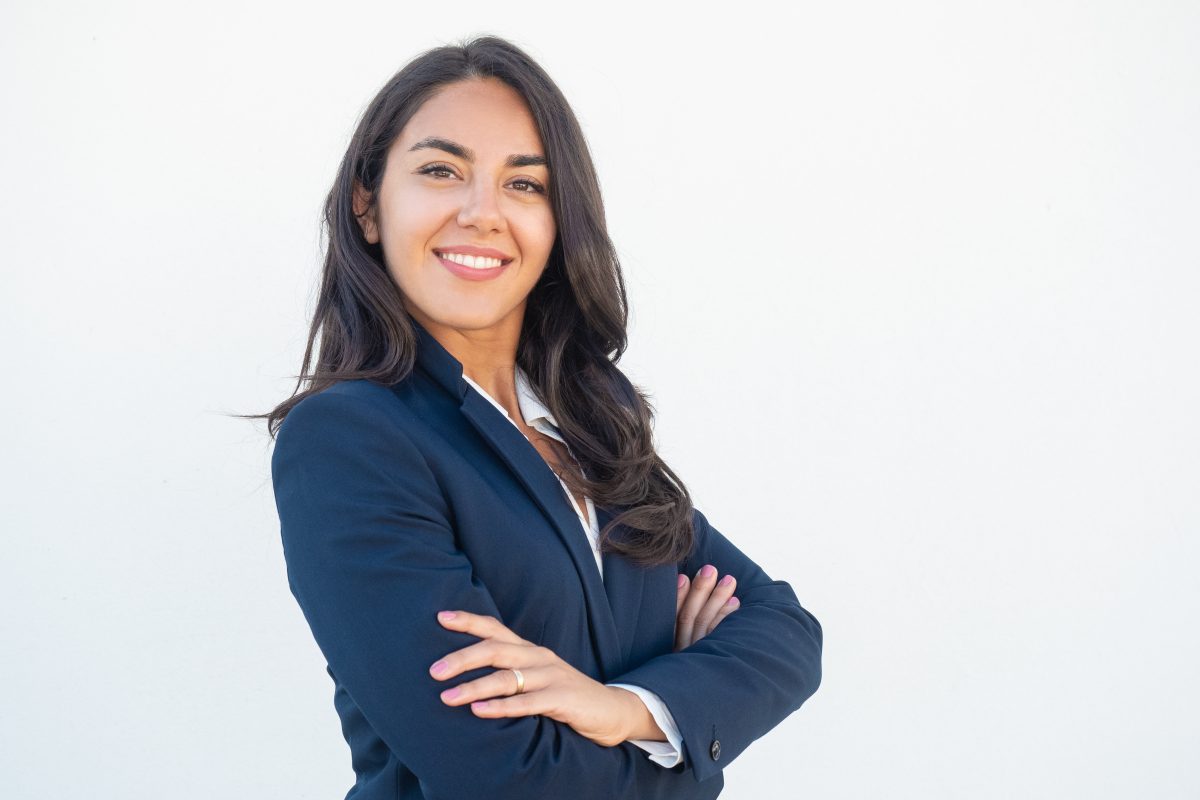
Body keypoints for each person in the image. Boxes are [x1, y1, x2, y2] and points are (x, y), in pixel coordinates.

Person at [262, 35, 822, 799]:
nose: (481, 212)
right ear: (368, 205)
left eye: (525, 185)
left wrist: (620, 707)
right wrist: (686, 733)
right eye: (440, 170)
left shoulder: (593, 419)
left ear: (560, 224)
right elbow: (504, 776)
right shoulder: (351, 441)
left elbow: (785, 631)